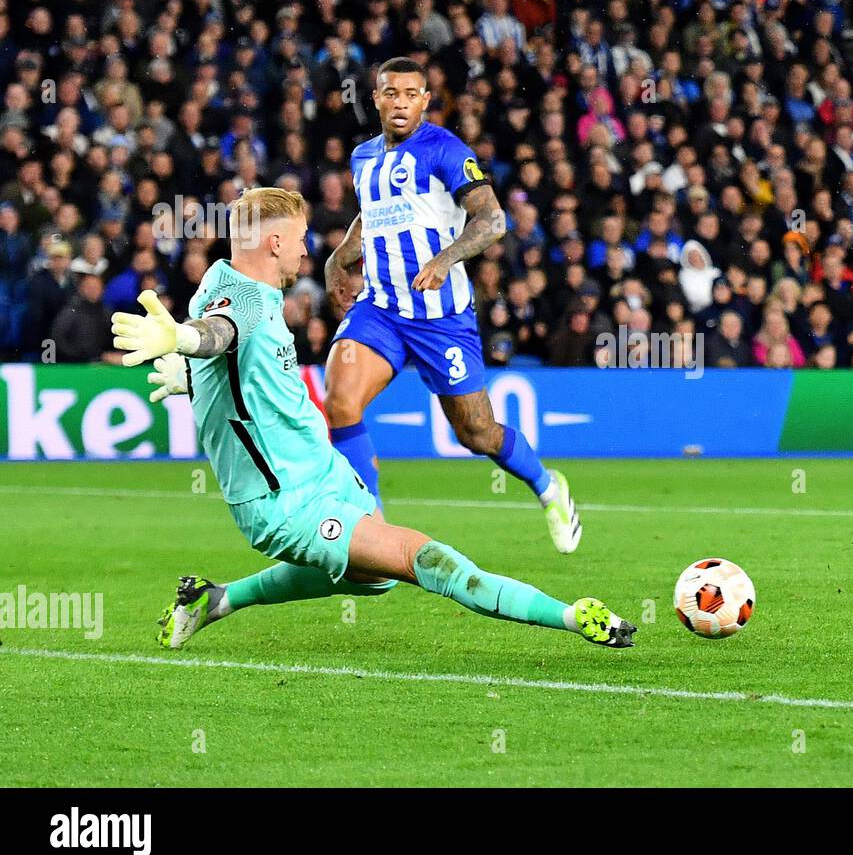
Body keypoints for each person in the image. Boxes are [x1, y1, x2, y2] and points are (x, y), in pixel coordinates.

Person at [110, 188, 632, 651]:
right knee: (423, 559)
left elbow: (230, 350)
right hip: (283, 501)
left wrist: (196, 376)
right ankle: (572, 614)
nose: (305, 249)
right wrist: (182, 341)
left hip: (322, 469)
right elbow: (219, 331)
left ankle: (216, 599)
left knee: (375, 580)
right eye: (299, 237)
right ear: (272, 244)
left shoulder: (224, 280)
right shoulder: (242, 299)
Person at [322, 58, 580, 554]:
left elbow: (493, 219)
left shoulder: (444, 149)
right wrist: (339, 259)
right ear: (375, 99)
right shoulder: (362, 158)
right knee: (339, 402)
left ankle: (549, 487)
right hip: (381, 310)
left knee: (476, 433)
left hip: (441, 319)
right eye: (390, 93)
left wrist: (445, 258)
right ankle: (370, 523)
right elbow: (372, 216)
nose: (400, 102)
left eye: (411, 94)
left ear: (424, 101)